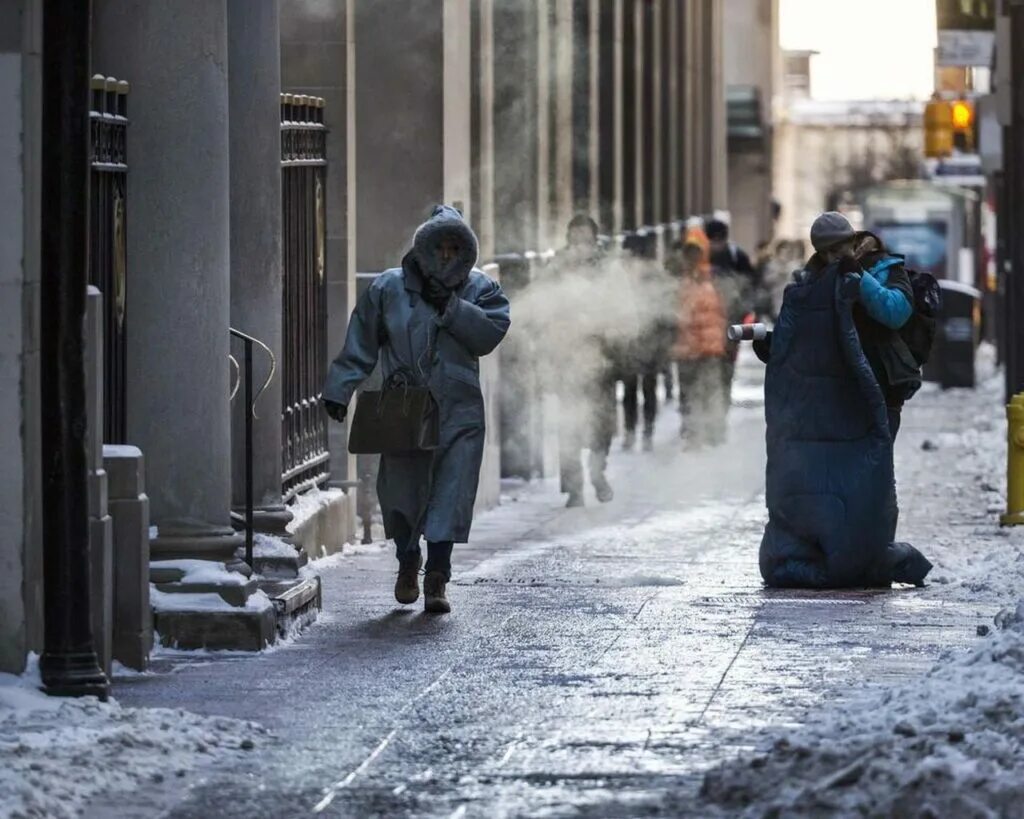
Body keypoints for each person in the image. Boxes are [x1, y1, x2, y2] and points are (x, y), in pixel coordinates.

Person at [321, 205, 510, 613]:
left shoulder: (479, 288)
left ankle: (438, 577)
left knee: (450, 494)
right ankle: (408, 561)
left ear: (464, 251)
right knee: (402, 494)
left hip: (458, 411)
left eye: (453, 247)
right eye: (438, 247)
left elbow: (491, 331)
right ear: (423, 247)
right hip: (405, 408)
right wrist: (340, 388)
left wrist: (453, 308)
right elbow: (362, 342)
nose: (445, 256)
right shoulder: (389, 289)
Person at [752, 211, 931, 589]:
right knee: (828, 479)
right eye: (827, 252)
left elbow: (896, 312)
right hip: (832, 399)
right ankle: (829, 547)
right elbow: (804, 334)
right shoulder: (811, 279)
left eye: (840, 249)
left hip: (878, 394)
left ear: (853, 242)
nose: (834, 258)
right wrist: (772, 344)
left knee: (872, 478)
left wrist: (858, 278)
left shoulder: (884, 268)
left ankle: (866, 549)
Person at [549, 214, 617, 507]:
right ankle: (574, 486)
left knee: (602, 423)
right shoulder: (556, 268)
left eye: (585, 239)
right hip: (567, 357)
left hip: (600, 356)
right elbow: (544, 307)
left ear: (594, 240)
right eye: (575, 239)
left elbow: (622, 306)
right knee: (569, 423)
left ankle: (597, 471)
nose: (580, 245)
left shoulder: (607, 269)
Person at [672, 227, 734, 447]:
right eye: (689, 252)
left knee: (710, 390)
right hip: (687, 347)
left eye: (696, 251)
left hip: (711, 346)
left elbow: (725, 309)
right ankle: (692, 433)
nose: (692, 257)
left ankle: (713, 431)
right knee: (688, 394)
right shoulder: (679, 278)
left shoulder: (714, 277)